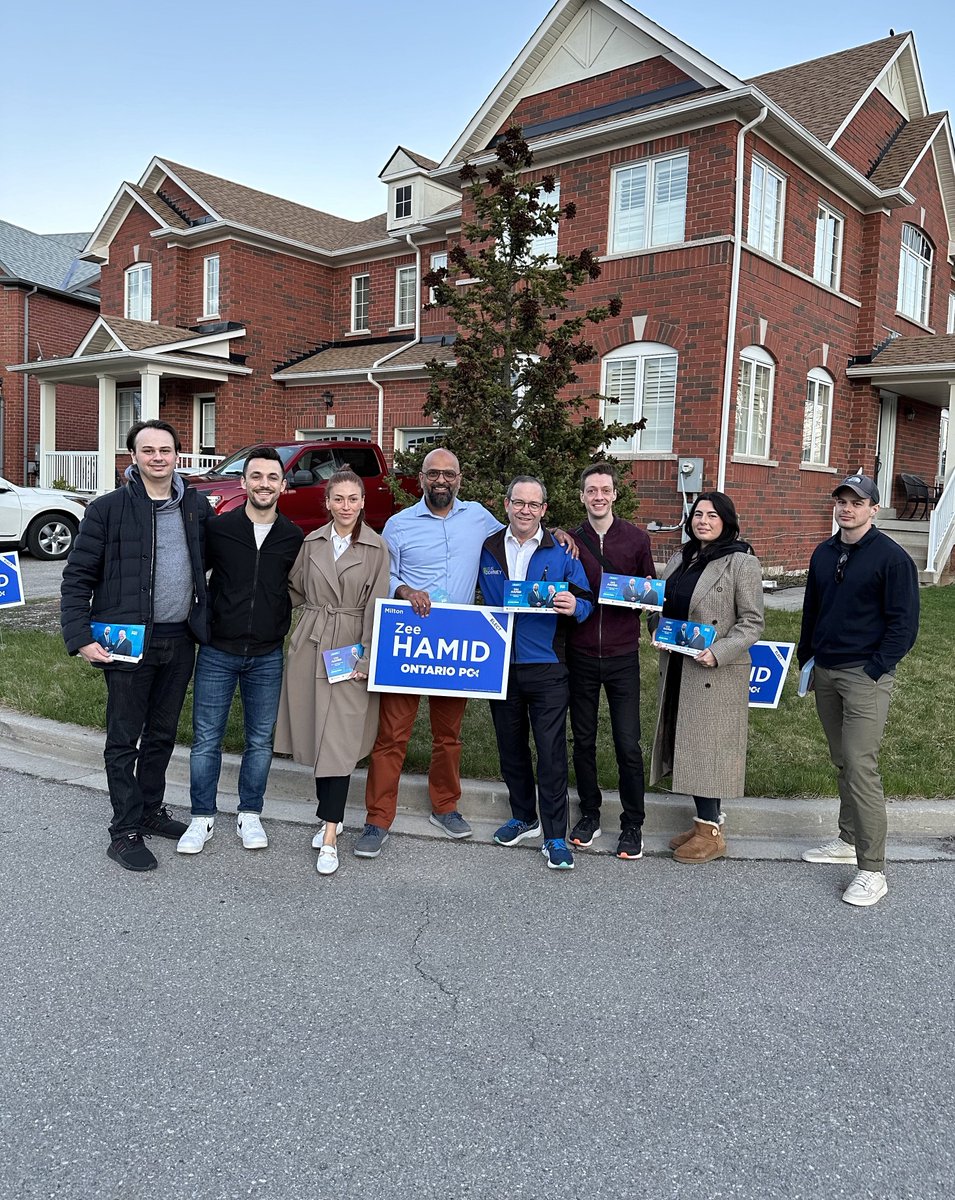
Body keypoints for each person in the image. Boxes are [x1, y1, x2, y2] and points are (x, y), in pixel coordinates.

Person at [60, 419, 209, 872]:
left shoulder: (196, 507)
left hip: (179, 639)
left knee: (163, 734)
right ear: (134, 458)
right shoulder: (107, 509)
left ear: (178, 455)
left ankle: (149, 809)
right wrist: (80, 637)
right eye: (148, 450)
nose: (158, 457)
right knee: (124, 737)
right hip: (126, 641)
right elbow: (77, 576)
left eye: (165, 450)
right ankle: (123, 829)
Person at [355, 447, 502, 859]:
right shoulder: (399, 525)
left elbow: (516, 536)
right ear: (421, 478)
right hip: (409, 642)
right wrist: (403, 590)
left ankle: (446, 806)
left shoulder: (479, 519)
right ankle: (378, 817)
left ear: (459, 478)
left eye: (449, 474)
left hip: (457, 644)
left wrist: (557, 535)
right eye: (433, 474)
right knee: (392, 735)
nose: (441, 481)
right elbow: (384, 576)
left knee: (449, 735)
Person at [798, 472, 919, 907]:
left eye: (856, 502)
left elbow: (904, 625)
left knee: (860, 766)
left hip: (865, 675)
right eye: (842, 501)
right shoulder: (824, 552)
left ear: (873, 509)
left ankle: (872, 870)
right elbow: (813, 609)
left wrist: (875, 669)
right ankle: (847, 840)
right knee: (841, 760)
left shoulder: (892, 559)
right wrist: (806, 659)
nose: (846, 508)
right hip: (826, 672)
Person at [177, 447, 304, 856]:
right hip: (218, 649)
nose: (264, 483)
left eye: (272, 477)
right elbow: (194, 575)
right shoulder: (220, 529)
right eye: (256, 476)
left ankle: (250, 812)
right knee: (206, 739)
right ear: (244, 482)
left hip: (267, 654)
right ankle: (202, 817)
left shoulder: (293, 536)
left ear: (283, 486)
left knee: (260, 741)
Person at [275, 469, 390, 874]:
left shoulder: (377, 549)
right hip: (311, 641)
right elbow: (292, 590)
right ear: (327, 502)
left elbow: (377, 607)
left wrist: (367, 658)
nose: (346, 506)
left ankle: (328, 833)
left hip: (351, 645)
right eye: (338, 499)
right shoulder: (311, 542)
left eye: (353, 499)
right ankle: (333, 816)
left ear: (363, 503)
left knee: (339, 740)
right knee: (317, 736)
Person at [480, 475, 593, 871]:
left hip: (547, 665)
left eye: (533, 504)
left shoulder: (561, 550)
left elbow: (586, 601)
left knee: (550, 752)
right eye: (518, 502)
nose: (525, 510)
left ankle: (554, 836)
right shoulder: (489, 547)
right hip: (498, 665)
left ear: (544, 510)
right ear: (506, 505)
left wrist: (573, 607)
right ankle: (524, 816)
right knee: (510, 747)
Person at [649, 491, 764, 864]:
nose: (703, 520)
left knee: (706, 750)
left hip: (714, 670)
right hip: (680, 663)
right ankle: (704, 821)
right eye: (698, 514)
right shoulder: (682, 556)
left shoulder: (740, 562)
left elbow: (752, 623)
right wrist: (657, 629)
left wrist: (719, 652)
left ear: (726, 521)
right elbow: (662, 603)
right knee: (688, 744)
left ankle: (710, 832)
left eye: (712, 515)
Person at [567, 462, 655, 859]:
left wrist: (659, 628)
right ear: (582, 496)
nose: (598, 496)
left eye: (605, 489)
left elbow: (651, 592)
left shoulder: (636, 540)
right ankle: (589, 813)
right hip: (580, 653)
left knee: (627, 743)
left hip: (622, 655)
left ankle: (632, 822)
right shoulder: (569, 540)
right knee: (583, 740)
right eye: (591, 490)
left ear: (615, 494)